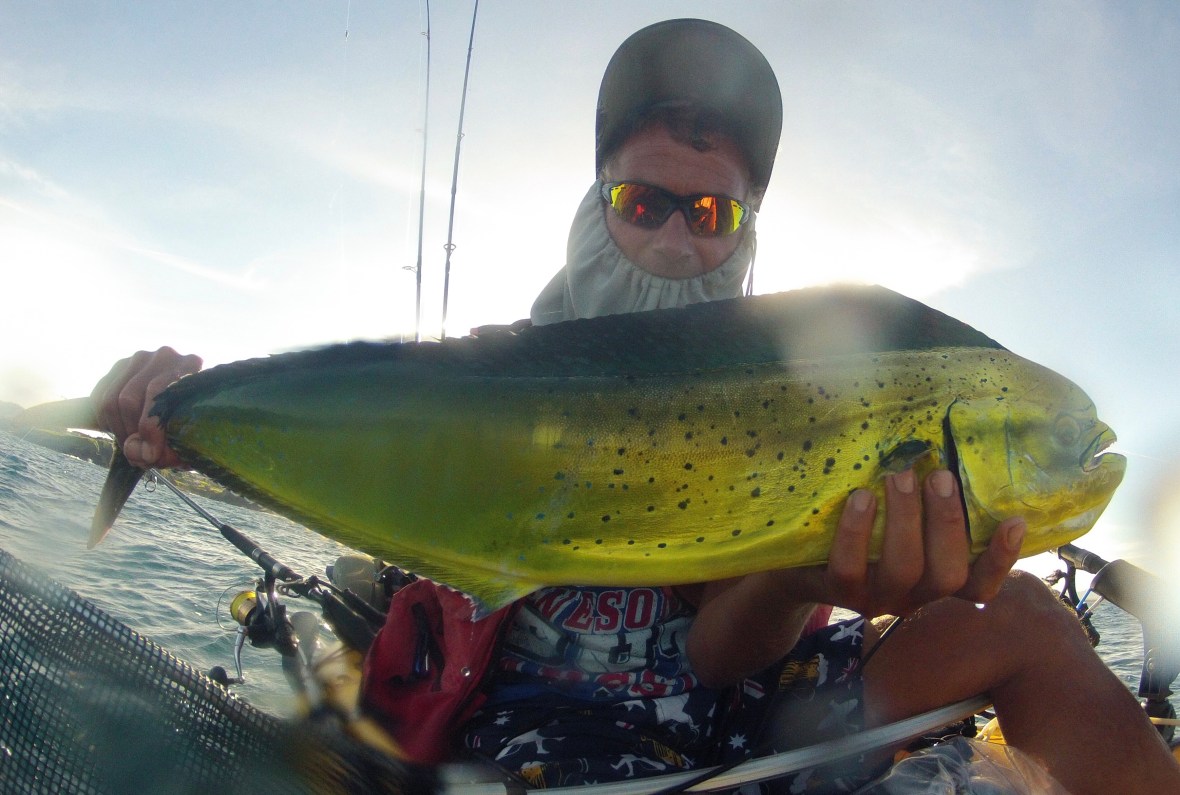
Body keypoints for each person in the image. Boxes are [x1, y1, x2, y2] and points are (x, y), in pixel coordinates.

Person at [91, 19, 1180, 795]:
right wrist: (169, 411)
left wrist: (796, 575)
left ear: (744, 233)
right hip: (543, 722)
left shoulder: (801, 399)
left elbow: (718, 655)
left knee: (1028, 621)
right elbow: (351, 445)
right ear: (592, 207)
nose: (673, 238)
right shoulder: (482, 381)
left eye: (710, 213)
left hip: (744, 700)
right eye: (641, 202)